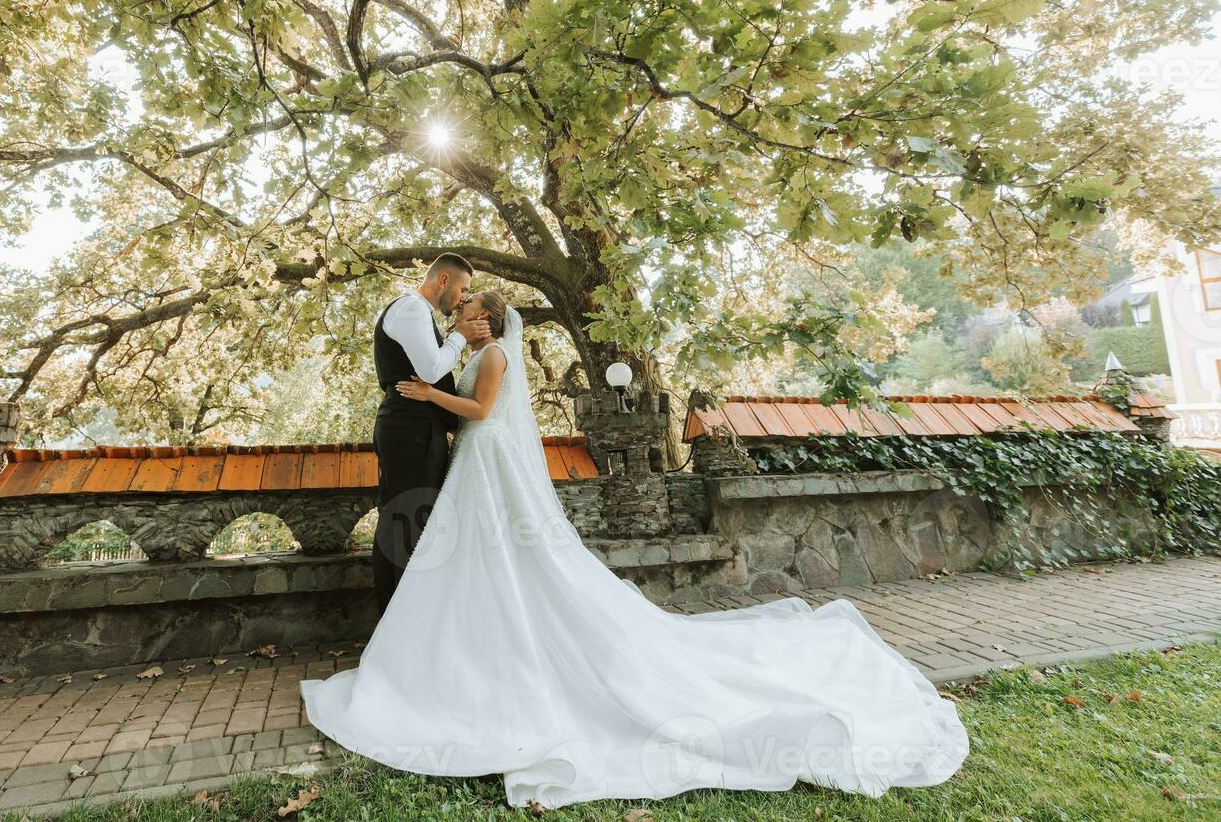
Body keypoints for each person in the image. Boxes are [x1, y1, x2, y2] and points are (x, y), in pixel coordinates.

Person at [301, 291, 970, 810]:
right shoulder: (474, 350)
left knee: (508, 555)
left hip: (490, 457)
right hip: (478, 465)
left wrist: (424, 393)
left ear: (488, 322)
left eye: (469, 311)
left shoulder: (497, 356)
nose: (461, 314)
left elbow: (480, 412)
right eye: (463, 309)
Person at [369, 253, 490, 614]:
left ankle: (411, 617)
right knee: (404, 518)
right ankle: (396, 619)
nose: (464, 298)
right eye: (463, 289)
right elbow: (431, 366)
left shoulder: (419, 314)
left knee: (418, 518)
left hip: (419, 427)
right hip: (409, 429)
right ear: (443, 282)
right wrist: (459, 336)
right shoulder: (410, 309)